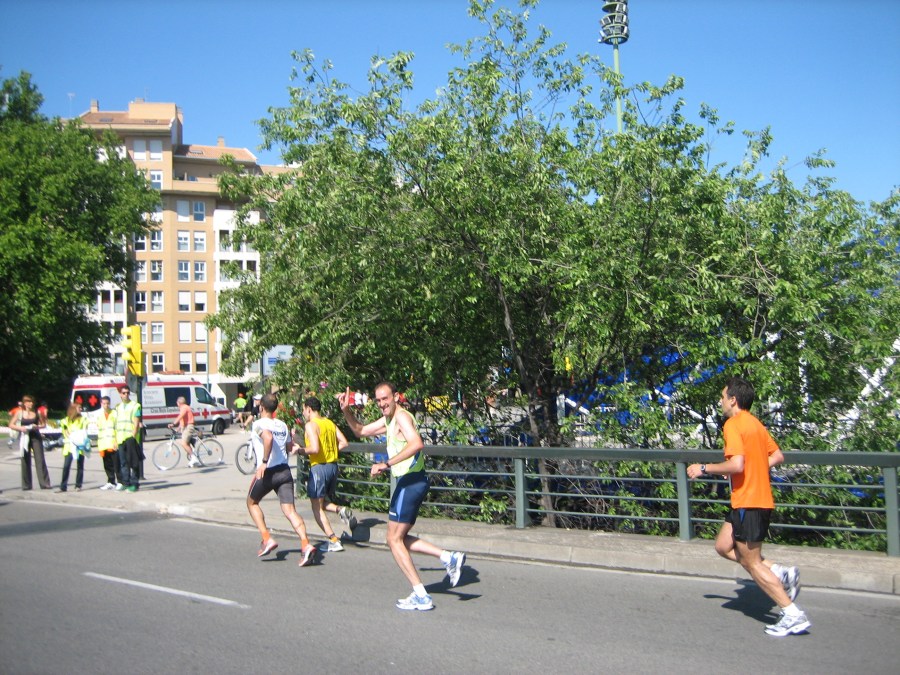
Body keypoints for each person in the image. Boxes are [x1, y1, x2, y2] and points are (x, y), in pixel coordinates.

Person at [688, 377, 810, 637]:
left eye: (723, 397)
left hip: (750, 501)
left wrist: (703, 468)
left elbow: (737, 465)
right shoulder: (755, 423)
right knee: (723, 546)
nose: (720, 401)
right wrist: (749, 468)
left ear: (733, 400)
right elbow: (777, 456)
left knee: (751, 563)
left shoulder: (733, 424)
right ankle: (780, 573)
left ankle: (792, 614)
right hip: (748, 500)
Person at [339, 381, 466, 611]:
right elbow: (360, 431)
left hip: (411, 481)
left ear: (395, 397)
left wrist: (386, 464)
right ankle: (448, 557)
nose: (382, 404)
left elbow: (417, 443)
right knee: (398, 538)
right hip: (410, 482)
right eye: (378, 400)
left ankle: (421, 595)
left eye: (385, 398)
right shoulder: (388, 419)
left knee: (393, 539)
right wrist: (346, 410)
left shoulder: (401, 417)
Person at [247, 393, 317, 567]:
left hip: (268, 472)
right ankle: (305, 544)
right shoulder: (282, 425)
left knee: (251, 503)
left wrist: (264, 462)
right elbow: (288, 447)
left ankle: (266, 538)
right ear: (275, 408)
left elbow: (268, 437)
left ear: (261, 407)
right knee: (290, 511)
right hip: (284, 471)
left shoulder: (258, 424)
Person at [294, 396, 354, 552]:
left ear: (309, 409)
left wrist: (299, 450)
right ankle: (340, 510)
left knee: (316, 507)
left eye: (303, 410)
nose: (303, 413)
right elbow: (344, 442)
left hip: (319, 467)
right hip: (332, 466)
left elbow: (314, 449)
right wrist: (330, 451)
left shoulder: (311, 425)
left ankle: (333, 540)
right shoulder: (329, 423)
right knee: (320, 502)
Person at [10, 395, 52, 490]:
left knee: (40, 459)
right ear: (24, 403)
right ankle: (26, 484)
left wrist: (37, 426)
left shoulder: (36, 412)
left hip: (35, 437)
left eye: (32, 402)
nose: (31, 403)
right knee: (25, 459)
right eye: (29, 402)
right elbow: (11, 424)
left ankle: (45, 483)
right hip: (25, 437)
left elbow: (43, 424)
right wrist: (20, 428)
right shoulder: (19, 413)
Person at [115, 386, 142, 492]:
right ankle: (126, 483)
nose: (126, 395)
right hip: (121, 438)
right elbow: (117, 424)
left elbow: (136, 422)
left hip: (131, 438)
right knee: (123, 462)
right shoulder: (118, 407)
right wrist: (115, 440)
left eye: (127, 393)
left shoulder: (135, 406)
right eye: (124, 393)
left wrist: (133, 436)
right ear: (120, 394)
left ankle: (134, 483)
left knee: (134, 462)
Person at [59, 403, 90, 492]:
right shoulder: (65, 421)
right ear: (73, 409)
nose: (81, 409)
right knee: (66, 466)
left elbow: (84, 431)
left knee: (80, 466)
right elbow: (65, 431)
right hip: (69, 446)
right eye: (79, 407)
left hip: (80, 445)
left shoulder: (83, 419)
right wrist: (69, 434)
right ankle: (63, 486)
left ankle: (78, 485)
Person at [96, 396, 120, 490]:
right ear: (101, 404)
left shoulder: (114, 413)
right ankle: (111, 481)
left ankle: (120, 481)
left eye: (107, 403)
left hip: (112, 442)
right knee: (107, 464)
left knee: (116, 463)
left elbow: (117, 428)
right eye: (104, 403)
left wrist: (116, 441)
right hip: (103, 443)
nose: (106, 405)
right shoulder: (99, 415)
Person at [169, 396, 199, 467]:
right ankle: (193, 459)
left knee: (184, 443)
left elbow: (180, 416)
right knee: (186, 444)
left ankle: (194, 458)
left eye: (177, 403)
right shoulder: (184, 408)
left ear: (178, 403)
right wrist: (178, 429)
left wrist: (173, 424)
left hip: (189, 427)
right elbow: (182, 421)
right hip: (186, 427)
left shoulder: (184, 407)